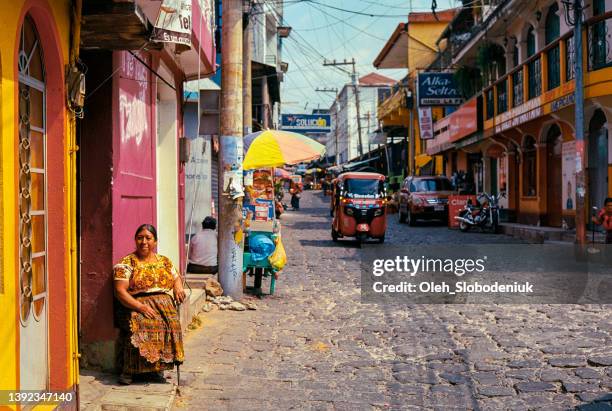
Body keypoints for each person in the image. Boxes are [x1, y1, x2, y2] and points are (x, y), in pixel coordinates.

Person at [113, 224, 186, 385]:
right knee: (143, 323)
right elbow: (120, 291)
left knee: (170, 323)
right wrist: (140, 307)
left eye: (148, 238)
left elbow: (176, 277)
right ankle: (129, 370)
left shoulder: (165, 261)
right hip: (135, 304)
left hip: (163, 305)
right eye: (140, 238)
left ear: (155, 242)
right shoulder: (127, 263)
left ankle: (155, 369)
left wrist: (178, 287)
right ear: (135, 240)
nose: (144, 242)